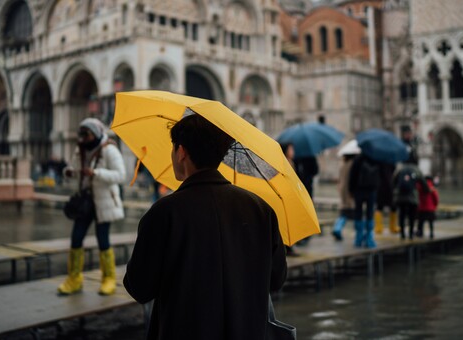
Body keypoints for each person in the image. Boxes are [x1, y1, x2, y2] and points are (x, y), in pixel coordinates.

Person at [123, 113, 287, 340]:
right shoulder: (262, 210)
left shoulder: (163, 213)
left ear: (181, 152)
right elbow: (276, 279)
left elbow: (139, 288)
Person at [58, 118, 126, 295]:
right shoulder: (79, 150)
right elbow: (72, 169)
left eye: (86, 134)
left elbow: (121, 175)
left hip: (104, 202)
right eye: (81, 134)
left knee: (103, 240)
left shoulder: (110, 150)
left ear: (95, 133)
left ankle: (109, 279)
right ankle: (74, 279)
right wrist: (69, 172)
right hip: (85, 202)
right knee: (76, 238)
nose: (83, 138)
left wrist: (96, 173)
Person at [393, 156, 429, 240]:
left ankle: (402, 233)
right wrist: (427, 190)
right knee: (412, 216)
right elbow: (423, 183)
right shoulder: (416, 170)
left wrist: (396, 190)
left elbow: (394, 180)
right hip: (412, 197)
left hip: (400, 196)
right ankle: (410, 234)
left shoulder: (400, 169)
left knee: (401, 214)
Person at [349, 154, 380, 248]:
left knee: (358, 212)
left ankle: (358, 239)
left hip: (359, 190)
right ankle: (369, 239)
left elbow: (352, 175)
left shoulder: (358, 159)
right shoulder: (376, 158)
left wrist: (351, 190)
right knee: (370, 214)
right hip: (371, 190)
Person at [331, 153, 356, 241]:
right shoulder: (353, 164)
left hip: (342, 190)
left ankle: (337, 228)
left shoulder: (343, 164)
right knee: (353, 213)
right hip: (349, 191)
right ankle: (358, 234)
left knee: (344, 212)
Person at [280, 142, 299, 255]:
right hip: (286, 196)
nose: (293, 152)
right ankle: (287, 247)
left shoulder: (291, 162)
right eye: (291, 149)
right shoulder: (284, 162)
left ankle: (289, 246)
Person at [374, 162, 400, 234]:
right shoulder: (390, 162)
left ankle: (379, 228)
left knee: (379, 207)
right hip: (389, 187)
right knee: (392, 207)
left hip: (380, 188)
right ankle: (392, 227)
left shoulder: (378, 163)